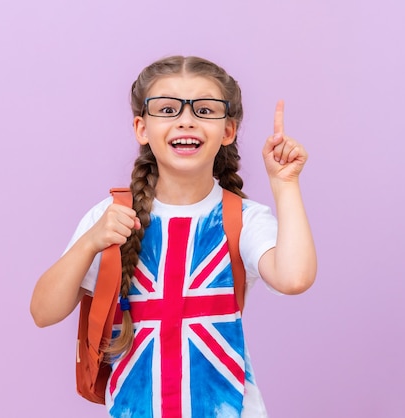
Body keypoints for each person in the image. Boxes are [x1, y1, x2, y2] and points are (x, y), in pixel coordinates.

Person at [30, 55, 317, 417]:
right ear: (141, 128)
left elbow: (294, 278)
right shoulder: (110, 218)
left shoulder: (243, 219)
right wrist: (90, 242)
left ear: (228, 130)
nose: (186, 120)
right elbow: (42, 311)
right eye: (167, 109)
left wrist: (285, 184)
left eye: (205, 110)